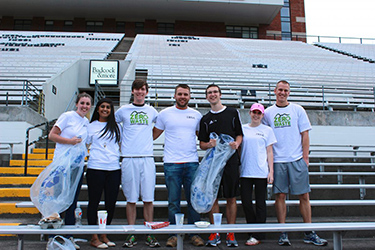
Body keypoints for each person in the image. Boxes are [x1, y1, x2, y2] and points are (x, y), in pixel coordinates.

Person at [262, 80, 328, 246]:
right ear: (275, 91)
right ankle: (282, 231)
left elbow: (305, 135)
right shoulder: (268, 113)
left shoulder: (297, 110)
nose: (283, 93)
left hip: (296, 158)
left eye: (286, 90)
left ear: (288, 93)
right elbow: (265, 138)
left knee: (304, 195)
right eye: (280, 90)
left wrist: (305, 158)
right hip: (278, 160)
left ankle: (309, 231)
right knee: (280, 196)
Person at [153, 84, 205, 247]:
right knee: (173, 201)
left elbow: (202, 137)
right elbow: (152, 135)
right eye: (180, 94)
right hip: (171, 163)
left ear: (190, 96)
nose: (183, 97)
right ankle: (174, 234)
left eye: (186, 94)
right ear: (174, 96)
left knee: (193, 200)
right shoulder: (165, 114)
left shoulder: (196, 115)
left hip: (191, 163)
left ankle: (194, 233)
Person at [115, 79, 160, 248]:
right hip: (128, 158)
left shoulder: (152, 110)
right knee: (131, 199)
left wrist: (148, 138)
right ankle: (132, 233)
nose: (140, 92)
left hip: (147, 158)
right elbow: (113, 127)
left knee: (148, 198)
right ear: (132, 91)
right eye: (137, 89)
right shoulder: (123, 110)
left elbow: (160, 126)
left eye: (143, 89)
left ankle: (149, 234)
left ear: (146, 92)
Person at [198, 84, 243, 247]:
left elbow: (239, 135)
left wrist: (236, 144)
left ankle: (230, 233)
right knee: (213, 197)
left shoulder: (232, 112)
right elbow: (202, 144)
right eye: (209, 93)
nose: (212, 95)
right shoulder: (205, 119)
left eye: (215, 92)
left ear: (220, 94)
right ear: (206, 96)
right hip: (212, 163)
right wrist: (209, 144)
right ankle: (215, 232)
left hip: (230, 162)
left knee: (231, 197)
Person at [48, 92, 92, 250]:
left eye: (87, 104)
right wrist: (70, 142)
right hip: (62, 164)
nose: (84, 106)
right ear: (77, 103)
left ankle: (69, 236)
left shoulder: (86, 121)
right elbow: (52, 135)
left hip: (77, 166)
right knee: (58, 200)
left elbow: (86, 143)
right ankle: (53, 237)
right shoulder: (67, 116)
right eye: (82, 103)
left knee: (72, 201)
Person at [240, 103, 276, 246]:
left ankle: (258, 233)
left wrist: (271, 171)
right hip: (245, 171)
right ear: (250, 113)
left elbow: (269, 151)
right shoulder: (243, 129)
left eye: (259, 113)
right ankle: (252, 230)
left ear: (262, 115)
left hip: (261, 171)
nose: (256, 115)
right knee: (246, 202)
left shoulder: (267, 130)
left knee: (260, 203)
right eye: (254, 112)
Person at [86, 98, 121, 249]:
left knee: (110, 203)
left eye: (108, 107)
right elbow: (86, 144)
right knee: (94, 202)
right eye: (102, 107)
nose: (105, 109)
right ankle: (94, 236)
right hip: (95, 168)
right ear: (98, 109)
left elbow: (120, 144)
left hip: (113, 168)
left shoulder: (117, 126)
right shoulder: (90, 126)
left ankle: (104, 234)